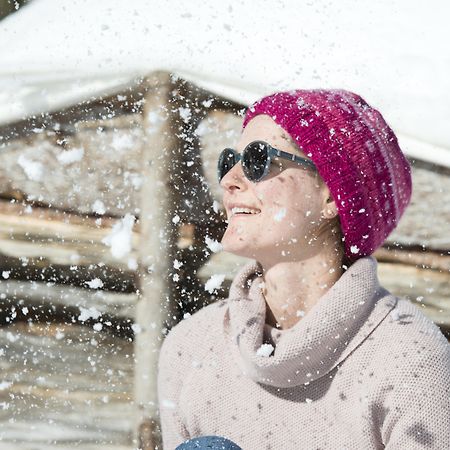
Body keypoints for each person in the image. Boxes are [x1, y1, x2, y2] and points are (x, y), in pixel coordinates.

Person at [157, 89, 450, 449]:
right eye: (229, 161)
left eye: (257, 160)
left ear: (331, 195)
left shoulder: (409, 358)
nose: (229, 180)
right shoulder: (192, 346)